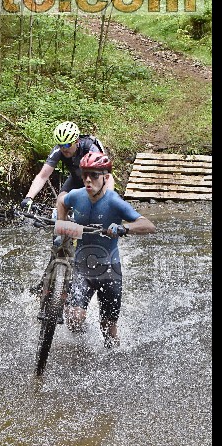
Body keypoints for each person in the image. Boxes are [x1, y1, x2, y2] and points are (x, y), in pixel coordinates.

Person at [55, 151, 156, 348]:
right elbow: (61, 201)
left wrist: (124, 228)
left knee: (108, 332)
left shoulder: (114, 201)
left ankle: (114, 360)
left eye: (94, 175)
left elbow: (148, 225)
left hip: (110, 270)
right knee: (74, 319)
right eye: (84, 174)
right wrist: (62, 225)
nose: (88, 180)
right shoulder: (77, 196)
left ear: (106, 177)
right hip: (82, 268)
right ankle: (81, 345)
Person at [20, 121, 114, 211]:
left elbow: (105, 176)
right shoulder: (58, 151)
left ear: (76, 141)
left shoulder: (90, 148)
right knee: (60, 202)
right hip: (76, 177)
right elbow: (42, 176)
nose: (64, 149)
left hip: (95, 178)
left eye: (67, 144)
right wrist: (29, 197)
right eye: (60, 145)